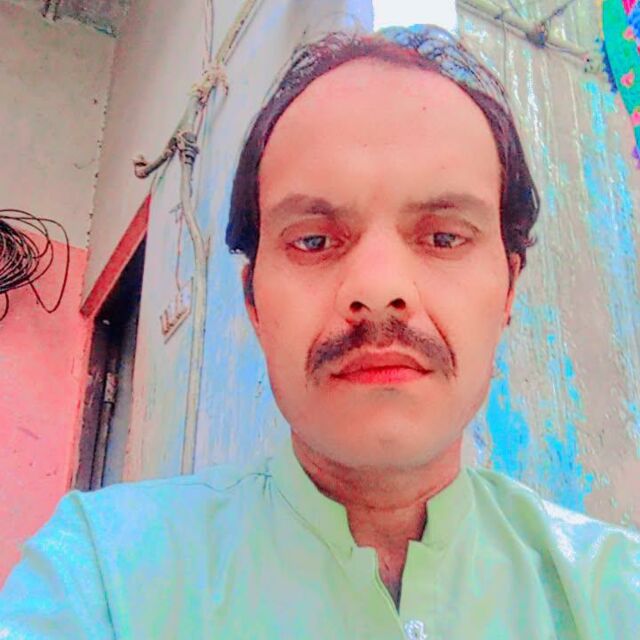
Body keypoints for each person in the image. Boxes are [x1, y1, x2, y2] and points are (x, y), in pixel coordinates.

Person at [1, 25, 638, 640]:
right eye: (313, 241)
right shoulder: (103, 578)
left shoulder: (618, 591)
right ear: (253, 302)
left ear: (508, 290)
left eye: (444, 237)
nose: (378, 288)